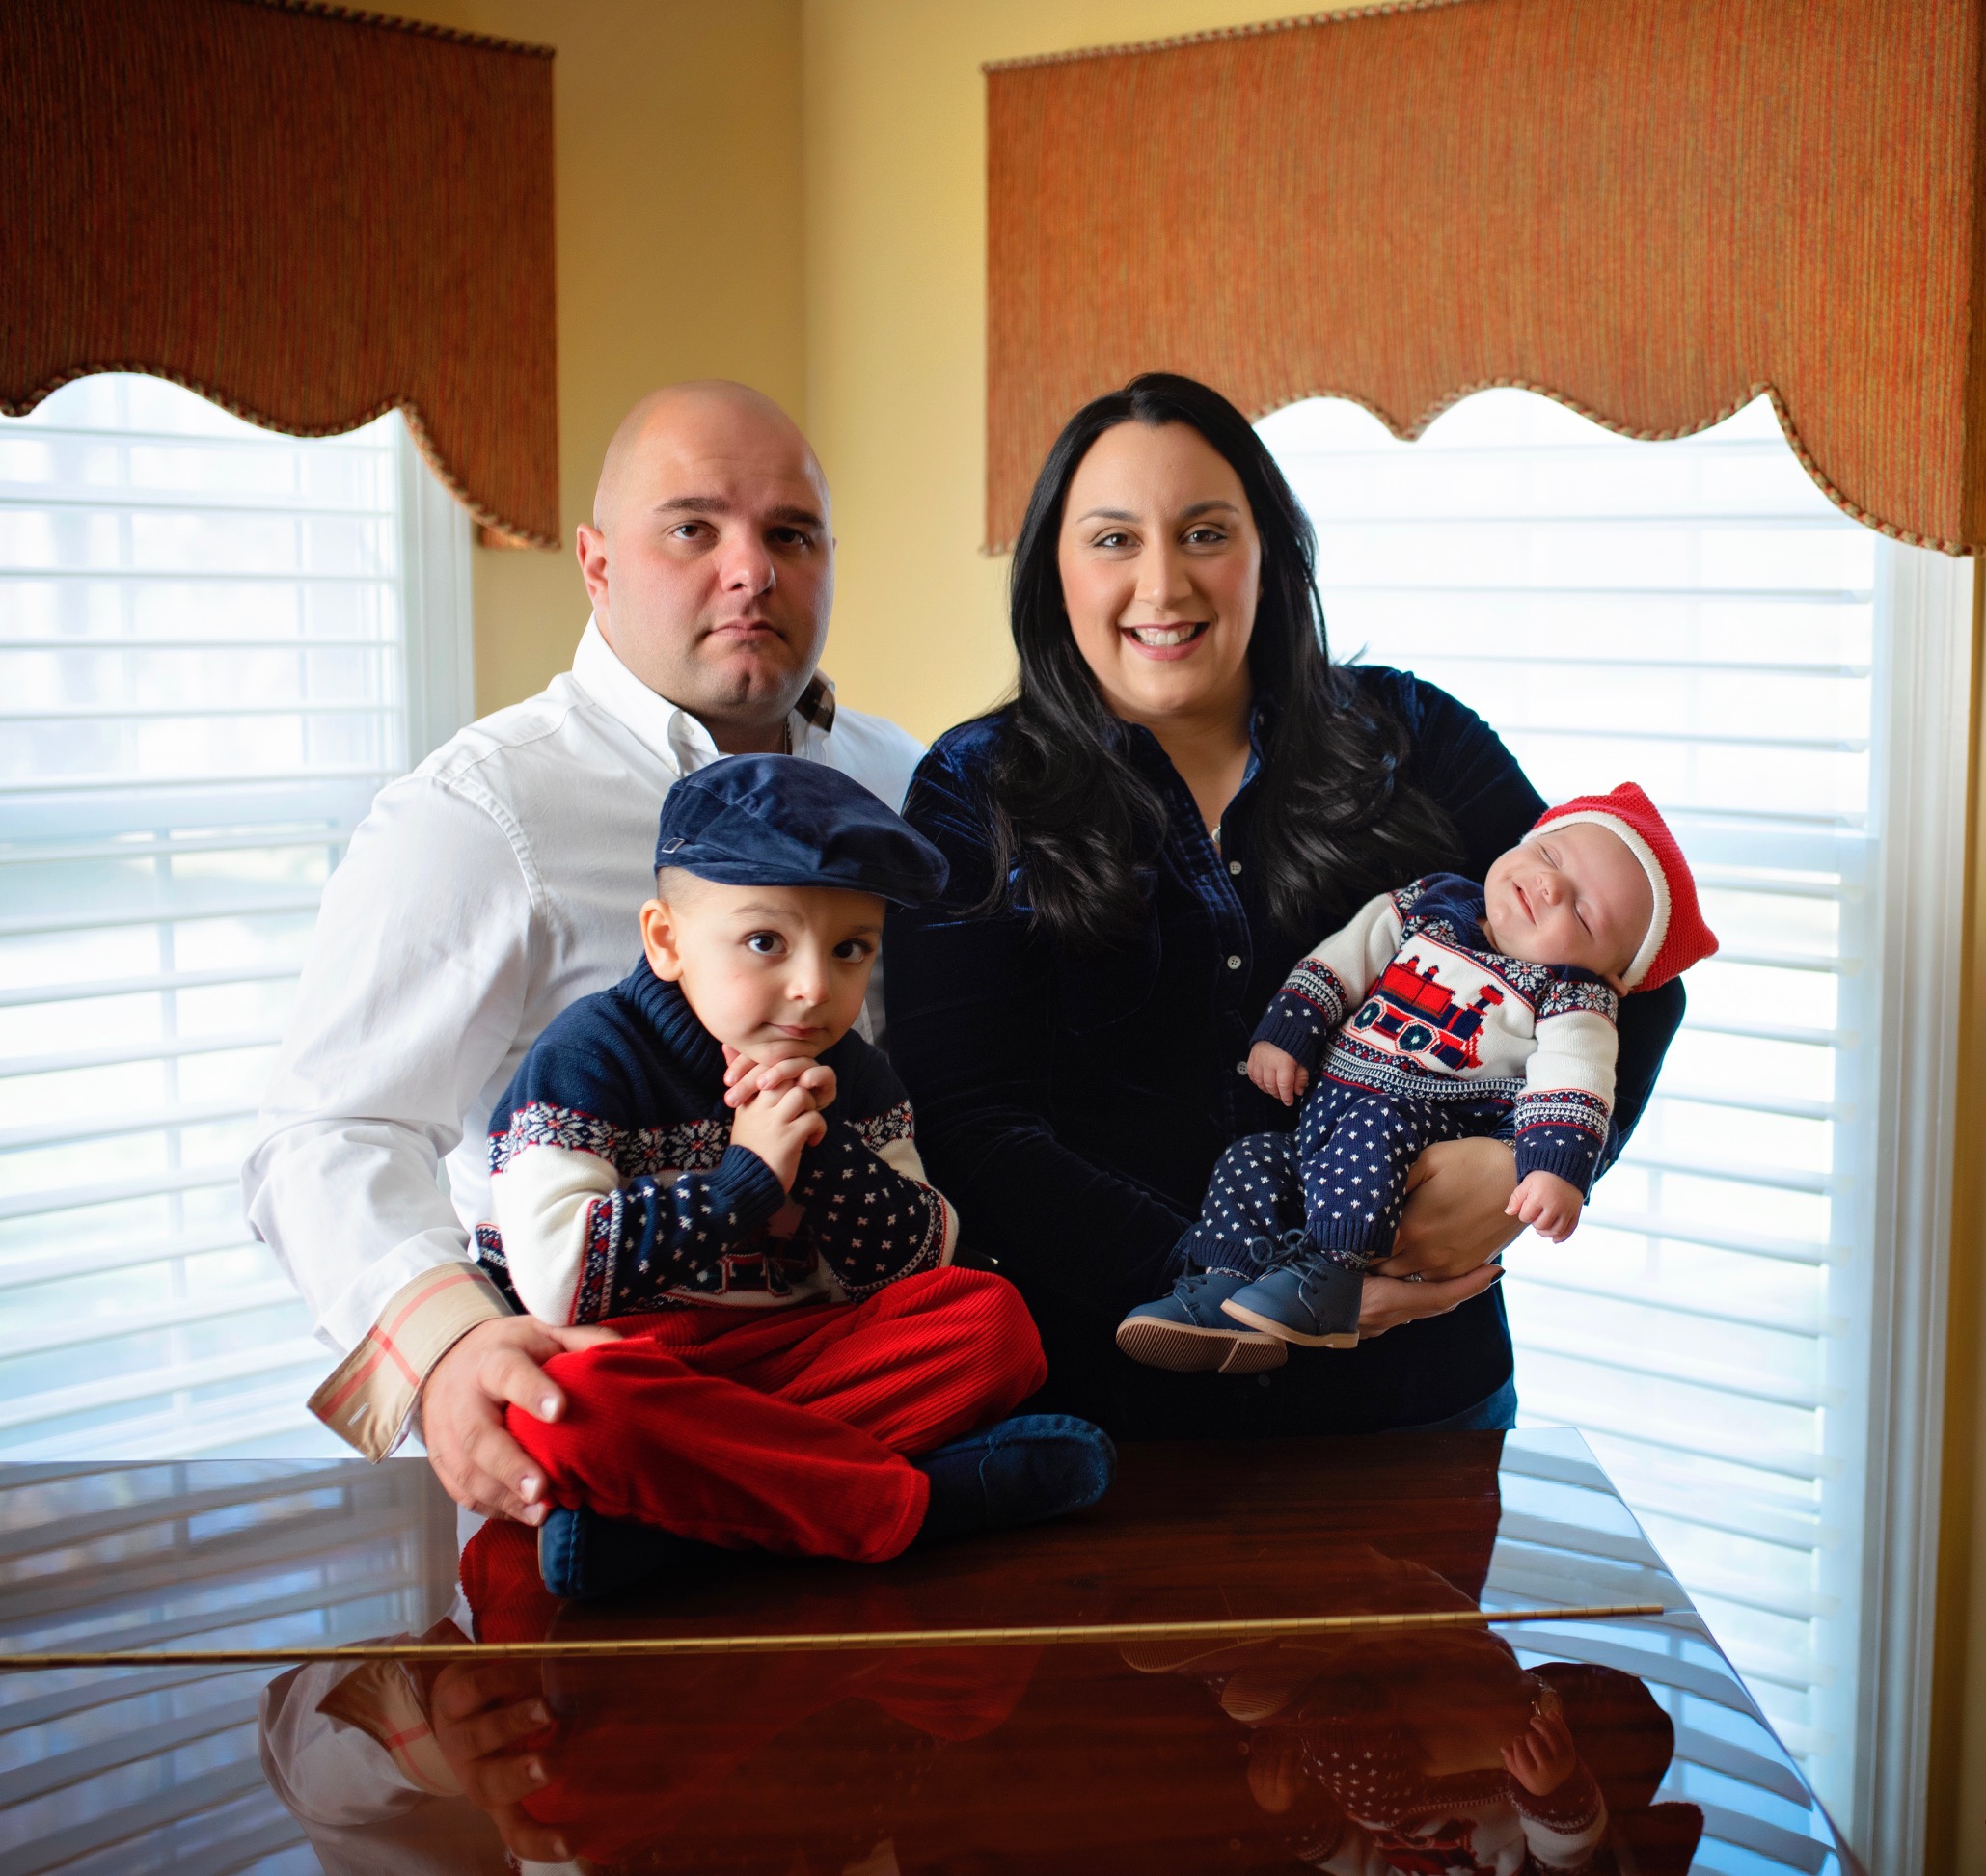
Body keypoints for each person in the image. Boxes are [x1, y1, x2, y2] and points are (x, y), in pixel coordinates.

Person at [883, 373, 1686, 1436]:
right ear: (1053, 572)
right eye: (1113, 539)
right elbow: (967, 1124)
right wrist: (1231, 1284)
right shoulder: (969, 788)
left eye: (1204, 531)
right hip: (1106, 1415)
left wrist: (1511, 1174)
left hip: (1416, 1408)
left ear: (1268, 549)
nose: (1162, 583)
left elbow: (1630, 976)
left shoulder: (1415, 737)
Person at [243, 381, 925, 1529]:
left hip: (860, 1378)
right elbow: (324, 1130)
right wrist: (450, 1344)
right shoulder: (481, 810)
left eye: (789, 534)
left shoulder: (904, 787)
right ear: (597, 564)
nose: (750, 568)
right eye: (693, 527)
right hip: (613, 1422)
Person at [472, 754, 1110, 1599]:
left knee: (994, 1324)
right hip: (647, 1363)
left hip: (803, 1356)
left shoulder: (855, 1072)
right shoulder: (590, 1055)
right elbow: (557, 1285)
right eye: (764, 941)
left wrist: (820, 1162)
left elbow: (924, 1258)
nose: (813, 989)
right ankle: (919, 1506)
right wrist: (744, 1181)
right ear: (665, 940)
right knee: (565, 1407)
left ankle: (675, 1516)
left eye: (850, 949)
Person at [1122, 782, 1717, 1360]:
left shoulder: (1569, 996)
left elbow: (1575, 1080)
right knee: (1251, 1159)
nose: (1549, 886)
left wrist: (1556, 1169)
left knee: (1375, 1126)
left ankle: (1330, 1274)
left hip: (1417, 1131)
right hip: (1317, 1127)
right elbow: (1347, 956)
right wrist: (1289, 1031)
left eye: (1585, 915)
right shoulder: (1431, 905)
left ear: (1614, 975)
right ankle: (1221, 1288)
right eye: (1549, 854)